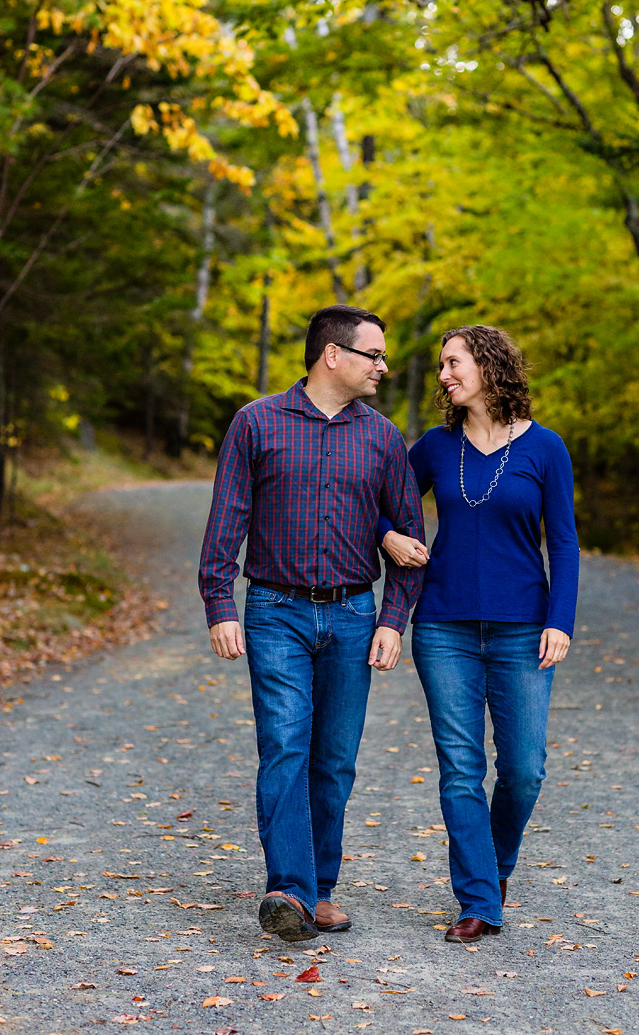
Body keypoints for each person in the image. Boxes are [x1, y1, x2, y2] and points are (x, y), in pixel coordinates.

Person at [199, 305, 424, 942]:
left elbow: (410, 537)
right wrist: (220, 603)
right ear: (333, 355)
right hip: (275, 613)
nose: (383, 366)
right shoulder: (256, 423)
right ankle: (289, 892)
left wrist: (392, 620)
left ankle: (320, 889)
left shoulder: (382, 438)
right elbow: (227, 518)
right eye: (373, 355)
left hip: (354, 615)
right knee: (285, 747)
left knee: (334, 761)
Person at [381, 325, 579, 943]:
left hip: (524, 627)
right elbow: (381, 503)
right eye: (441, 365)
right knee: (461, 770)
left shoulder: (546, 449)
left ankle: (490, 875)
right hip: (443, 627)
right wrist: (388, 536)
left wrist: (561, 620)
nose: (444, 374)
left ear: (490, 367)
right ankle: (478, 899)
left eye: (453, 362)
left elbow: (565, 542)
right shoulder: (435, 449)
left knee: (524, 770)